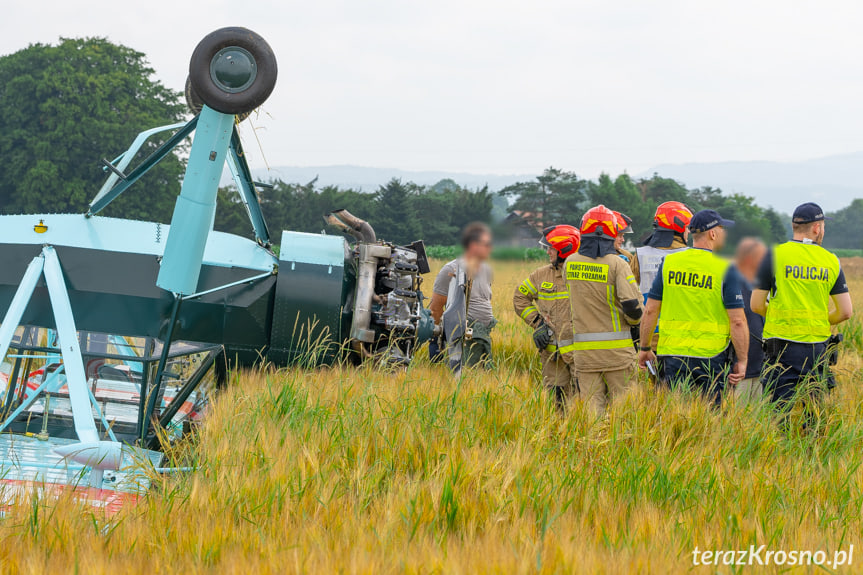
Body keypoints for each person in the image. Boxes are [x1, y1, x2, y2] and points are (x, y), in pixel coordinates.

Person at [638, 210, 749, 406]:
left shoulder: (669, 263)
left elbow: (650, 310)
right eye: (722, 229)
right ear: (713, 234)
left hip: (672, 356)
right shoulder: (725, 267)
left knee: (672, 419)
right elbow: (738, 321)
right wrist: (742, 360)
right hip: (711, 359)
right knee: (711, 421)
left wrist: (645, 347)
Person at [751, 203, 853, 412]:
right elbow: (845, 312)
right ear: (817, 228)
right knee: (813, 414)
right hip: (817, 348)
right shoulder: (831, 261)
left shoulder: (773, 255)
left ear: (794, 226)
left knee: (779, 413)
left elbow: (756, 304)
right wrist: (817, 321)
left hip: (780, 348)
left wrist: (780, 317)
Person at [561, 205, 643, 415]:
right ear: (610, 233)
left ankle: (592, 448)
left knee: (591, 412)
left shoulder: (570, 262)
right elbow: (632, 307)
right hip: (617, 354)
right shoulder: (617, 264)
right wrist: (635, 325)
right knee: (624, 414)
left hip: (585, 355)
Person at [513, 225, 580, 412]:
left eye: (552, 247)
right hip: (553, 356)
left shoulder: (581, 273)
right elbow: (520, 297)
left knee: (583, 402)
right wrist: (538, 323)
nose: (548, 251)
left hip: (579, 356)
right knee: (555, 405)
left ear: (566, 249)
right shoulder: (541, 275)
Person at [430, 222, 496, 368]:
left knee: (481, 380)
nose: (490, 248)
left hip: (482, 335)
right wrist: (435, 341)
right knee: (461, 377)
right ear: (473, 245)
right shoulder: (451, 269)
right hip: (461, 338)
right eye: (486, 244)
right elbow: (436, 307)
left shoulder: (486, 270)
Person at [631, 202, 693, 351]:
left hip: (648, 337)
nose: (688, 232)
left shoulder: (640, 255)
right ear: (678, 227)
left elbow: (628, 295)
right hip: (682, 338)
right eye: (686, 228)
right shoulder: (691, 256)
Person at [733, 238, 768, 404]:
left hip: (763, 367)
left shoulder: (765, 285)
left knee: (760, 420)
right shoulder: (731, 283)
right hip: (739, 371)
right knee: (736, 419)